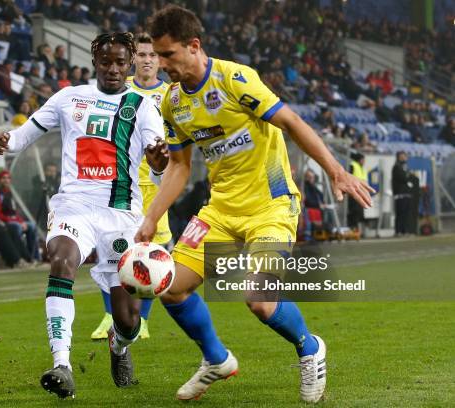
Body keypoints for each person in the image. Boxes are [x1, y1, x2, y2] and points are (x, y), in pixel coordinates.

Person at [135, 5, 374, 402]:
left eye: (168, 54)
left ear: (194, 46)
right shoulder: (173, 103)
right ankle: (216, 359)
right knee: (170, 288)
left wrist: (335, 170)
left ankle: (310, 348)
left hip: (271, 206)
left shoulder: (234, 79)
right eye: (156, 56)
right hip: (221, 211)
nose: (160, 65)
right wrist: (151, 219)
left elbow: (293, 123)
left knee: (259, 300)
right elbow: (179, 165)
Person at [0, 32, 168, 399]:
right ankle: (62, 364)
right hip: (74, 206)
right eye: (106, 62)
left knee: (129, 319)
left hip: (120, 216)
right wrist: (4, 140)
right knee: (62, 259)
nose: (113, 69)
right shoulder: (69, 98)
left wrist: (159, 160)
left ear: (131, 61)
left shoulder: (144, 106)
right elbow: (20, 138)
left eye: (120, 62)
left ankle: (119, 345)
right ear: (94, 61)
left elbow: (157, 160)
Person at [90, 32, 171, 341]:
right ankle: (111, 315)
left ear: (160, 61)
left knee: (151, 250)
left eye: (154, 56)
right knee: (109, 250)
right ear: (133, 59)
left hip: (155, 183)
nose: (148, 60)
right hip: (119, 181)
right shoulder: (117, 90)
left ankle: (144, 319)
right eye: (143, 55)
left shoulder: (170, 94)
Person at [0, 170, 40, 261]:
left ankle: (35, 258)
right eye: (4, 178)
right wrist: (15, 221)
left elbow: (13, 212)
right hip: (0, 222)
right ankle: (20, 258)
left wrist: (21, 221)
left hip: (11, 220)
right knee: (16, 227)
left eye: (8, 178)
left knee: (32, 226)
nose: (6, 180)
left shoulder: (8, 192)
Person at [392, 151, 413, 236]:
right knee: (400, 213)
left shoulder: (405, 167)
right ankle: (398, 231)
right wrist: (408, 177)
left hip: (406, 193)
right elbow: (403, 178)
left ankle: (405, 230)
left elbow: (408, 177)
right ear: (398, 157)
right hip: (400, 194)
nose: (404, 157)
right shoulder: (397, 167)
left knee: (406, 213)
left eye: (405, 156)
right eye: (402, 156)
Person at [348, 152, 367, 232]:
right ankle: (353, 228)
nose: (364, 161)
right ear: (359, 160)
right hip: (354, 192)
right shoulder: (353, 165)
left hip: (361, 192)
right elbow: (349, 177)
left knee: (359, 212)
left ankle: (357, 229)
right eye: (363, 159)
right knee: (354, 211)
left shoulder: (362, 168)